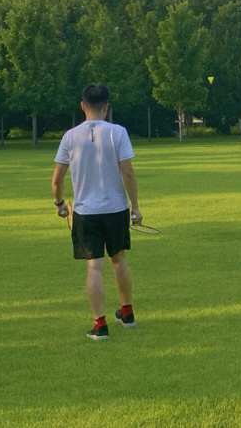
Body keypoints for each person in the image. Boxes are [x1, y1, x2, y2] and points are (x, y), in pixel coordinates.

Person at [51, 84, 143, 341]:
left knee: (95, 267)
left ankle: (100, 324)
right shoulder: (118, 133)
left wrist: (60, 205)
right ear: (106, 107)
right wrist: (135, 207)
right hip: (115, 208)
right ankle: (127, 312)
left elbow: (57, 179)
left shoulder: (70, 136)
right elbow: (128, 172)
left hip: (85, 211)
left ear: (83, 106)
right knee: (119, 260)